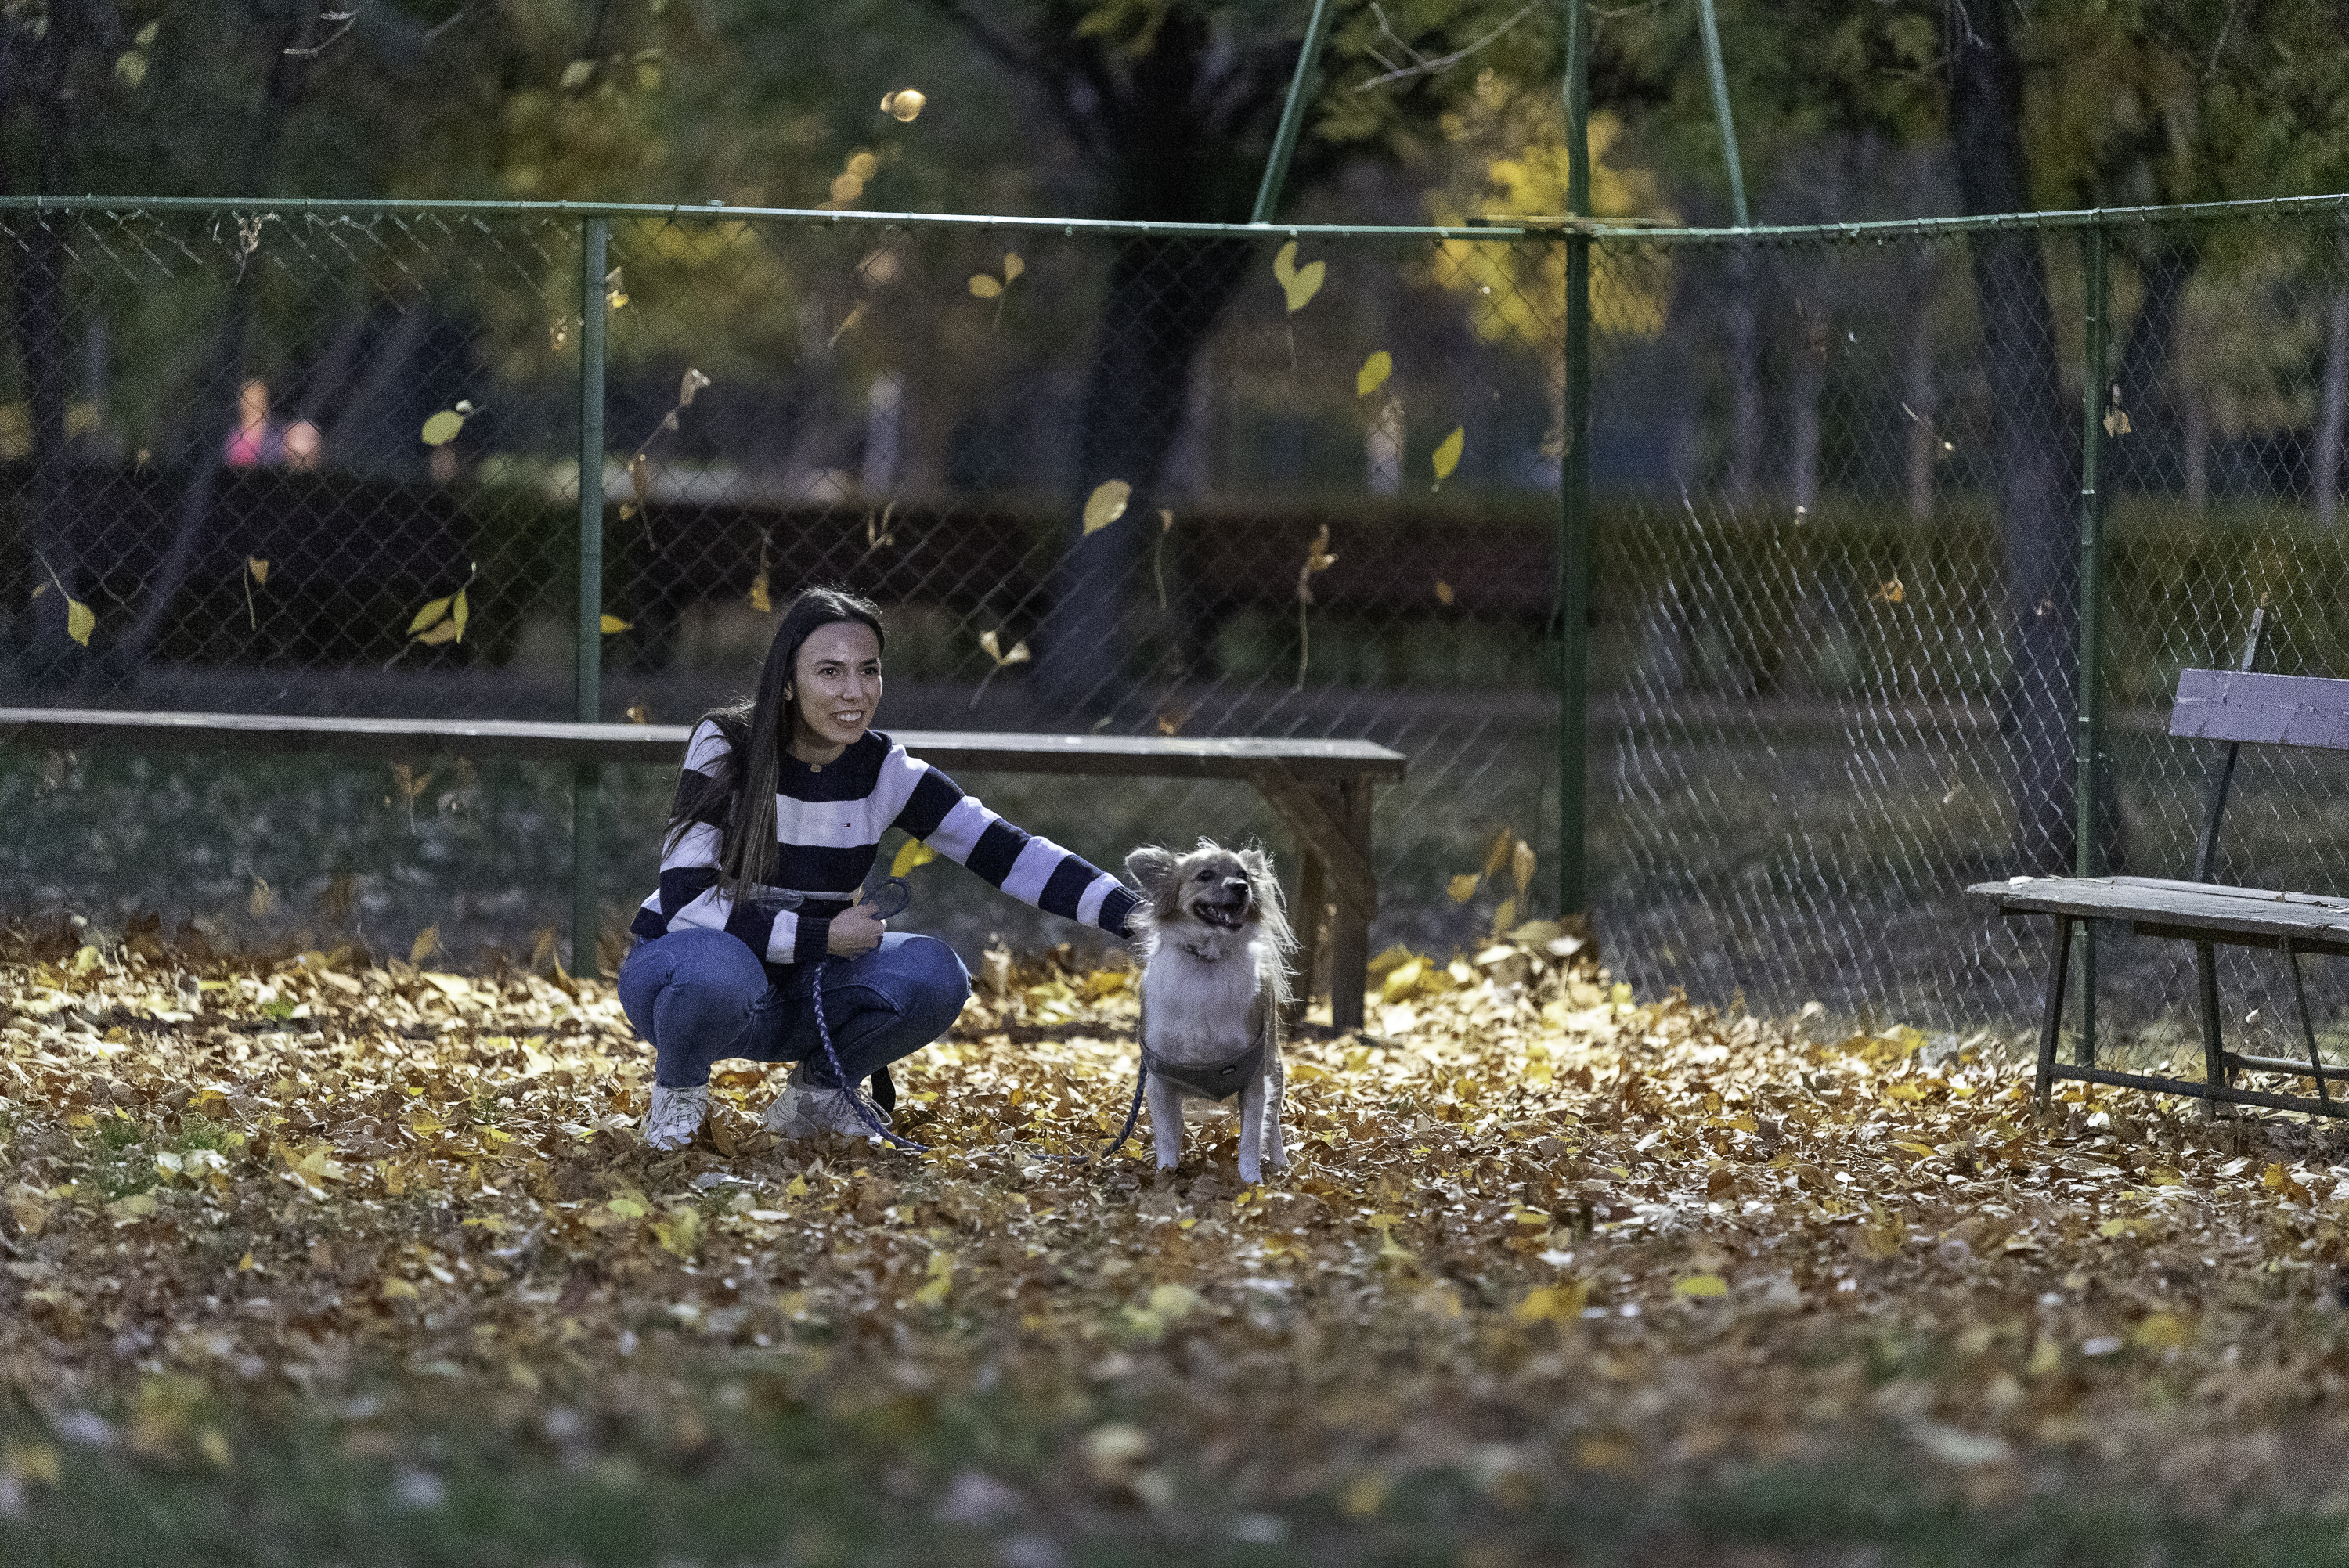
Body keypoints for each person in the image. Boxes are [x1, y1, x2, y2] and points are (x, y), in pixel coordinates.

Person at [618, 585, 1142, 1152]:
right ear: (788, 682)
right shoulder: (724, 743)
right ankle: (678, 1101)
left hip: (804, 993)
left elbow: (1008, 851)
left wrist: (1138, 916)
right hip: (683, 981)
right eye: (830, 671)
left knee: (935, 973)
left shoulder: (884, 768)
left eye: (868, 670)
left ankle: (817, 1098)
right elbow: (686, 896)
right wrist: (821, 934)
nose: (855, 691)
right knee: (718, 970)